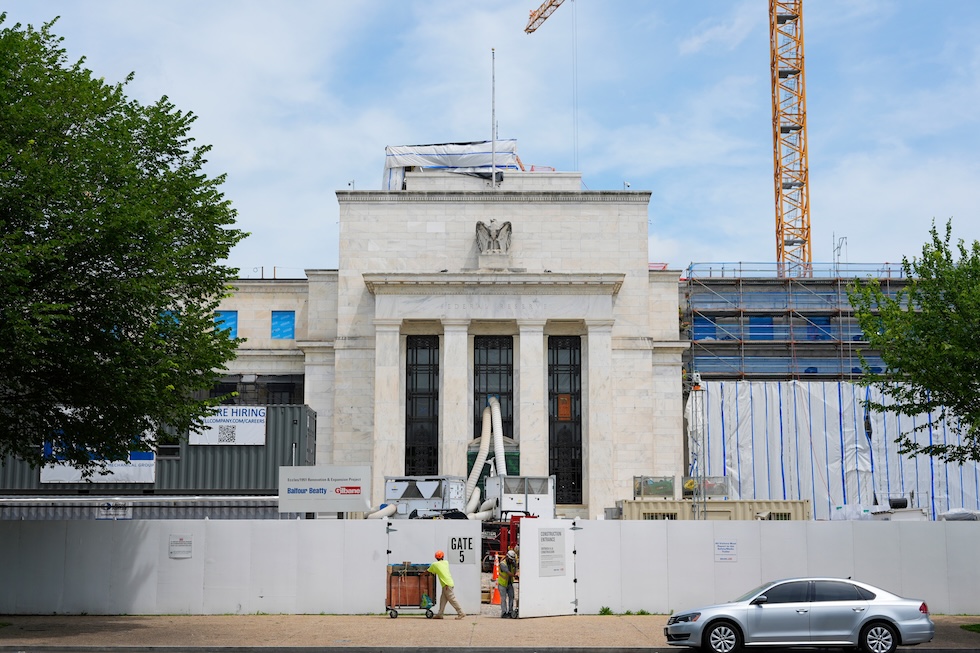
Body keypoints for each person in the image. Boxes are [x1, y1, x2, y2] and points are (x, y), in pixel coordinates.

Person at [427, 550, 465, 620]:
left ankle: (461, 612)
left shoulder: (435, 564)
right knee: (443, 600)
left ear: (436, 558)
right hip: (448, 583)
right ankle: (440, 614)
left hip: (446, 585)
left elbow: (428, 571)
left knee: (452, 599)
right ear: (443, 557)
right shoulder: (446, 562)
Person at [497, 549, 518, 618]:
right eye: (511, 559)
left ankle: (510, 612)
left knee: (511, 597)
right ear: (507, 557)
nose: (512, 561)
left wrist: (515, 566)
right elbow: (508, 572)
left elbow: (514, 570)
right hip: (502, 584)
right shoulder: (503, 564)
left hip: (509, 584)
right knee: (503, 599)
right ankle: (504, 613)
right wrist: (515, 576)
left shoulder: (512, 563)